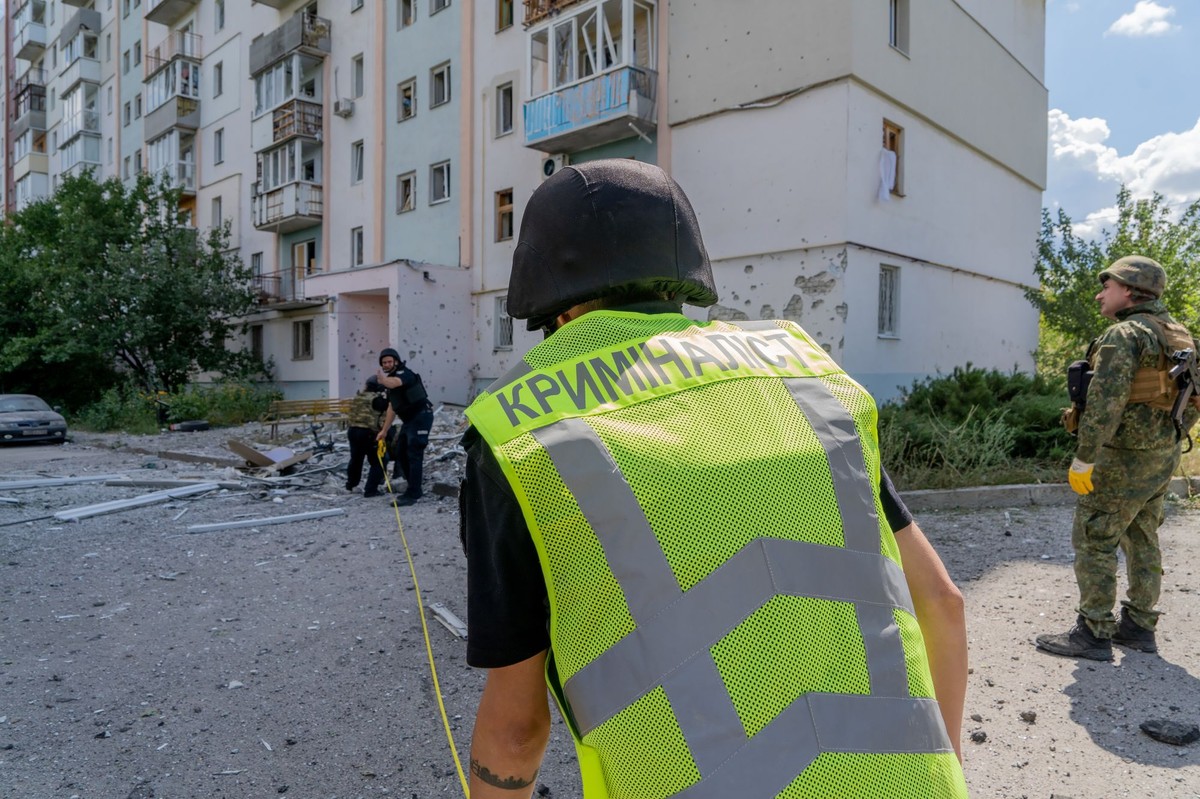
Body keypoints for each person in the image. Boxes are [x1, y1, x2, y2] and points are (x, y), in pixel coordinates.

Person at [459, 159, 968, 799]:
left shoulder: (522, 430)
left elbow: (517, 729)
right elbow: (942, 604)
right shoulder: (805, 379)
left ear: (550, 302)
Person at [1036, 256, 1200, 662]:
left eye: (1106, 286)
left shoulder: (1124, 335)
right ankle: (1139, 625)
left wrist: (1084, 458)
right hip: (1162, 453)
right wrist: (1174, 436)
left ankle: (1093, 632)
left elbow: (1105, 404)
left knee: (1095, 537)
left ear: (1128, 289)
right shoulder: (1178, 334)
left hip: (1121, 456)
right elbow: (1193, 398)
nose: (1099, 293)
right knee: (1143, 534)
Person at [375, 347, 434, 506]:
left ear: (396, 361)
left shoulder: (404, 374)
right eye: (384, 363)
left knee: (414, 452)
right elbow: (392, 408)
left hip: (421, 416)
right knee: (401, 452)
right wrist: (384, 430)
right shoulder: (390, 382)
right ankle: (414, 488)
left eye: (389, 361)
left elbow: (396, 383)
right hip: (409, 421)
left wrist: (383, 381)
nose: (387, 364)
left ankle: (413, 493)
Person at [345, 376, 388, 498]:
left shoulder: (358, 397)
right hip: (367, 433)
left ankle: (351, 485)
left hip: (352, 431)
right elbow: (388, 410)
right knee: (379, 461)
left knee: (356, 459)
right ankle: (371, 490)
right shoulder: (377, 400)